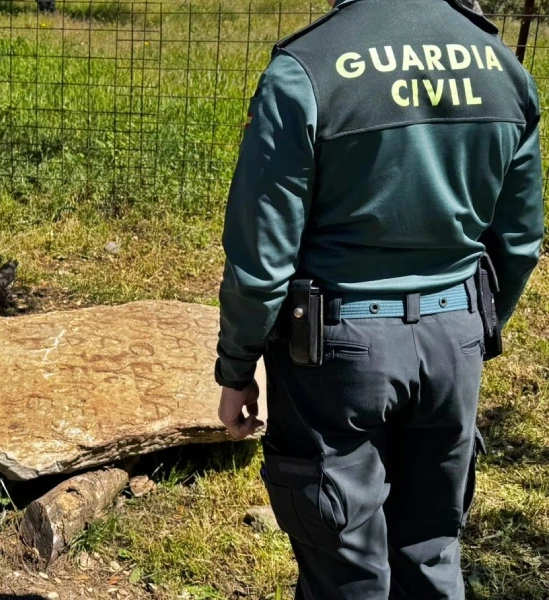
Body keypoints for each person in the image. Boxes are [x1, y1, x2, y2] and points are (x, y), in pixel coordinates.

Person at [214, 0, 543, 598]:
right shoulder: (502, 66)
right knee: (433, 551)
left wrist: (237, 368)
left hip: (335, 357)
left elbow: (261, 262)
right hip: (455, 339)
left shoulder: (306, 68)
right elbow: (519, 240)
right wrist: (473, 330)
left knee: (345, 570)